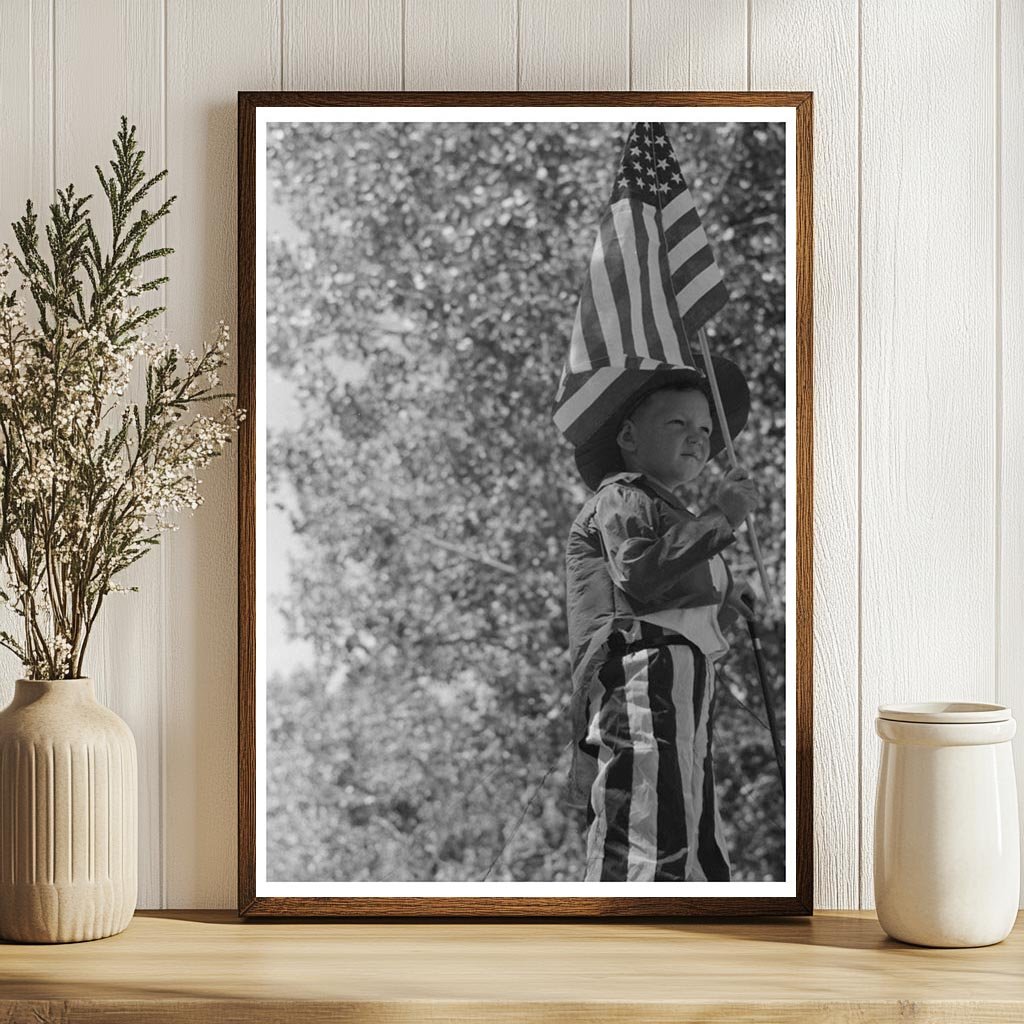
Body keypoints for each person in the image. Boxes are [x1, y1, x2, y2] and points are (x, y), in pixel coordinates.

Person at [565, 365, 759, 882]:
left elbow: (688, 616)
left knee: (689, 806)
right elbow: (638, 574)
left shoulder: (676, 513)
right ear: (629, 436)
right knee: (647, 810)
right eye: (677, 424)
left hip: (683, 680)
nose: (697, 439)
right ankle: (637, 912)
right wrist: (722, 519)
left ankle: (696, 896)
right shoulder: (624, 495)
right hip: (640, 671)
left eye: (704, 431)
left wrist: (725, 603)